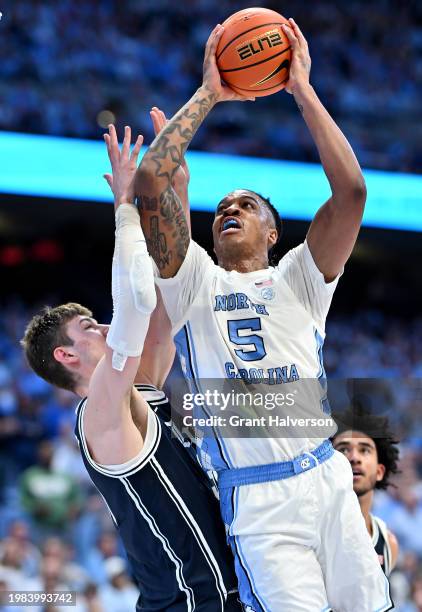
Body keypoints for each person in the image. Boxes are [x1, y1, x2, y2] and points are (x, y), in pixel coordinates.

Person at [136, 19, 392, 612]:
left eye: (246, 205)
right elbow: (151, 184)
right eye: (222, 206)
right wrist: (210, 92)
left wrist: (300, 87)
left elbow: (351, 192)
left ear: (273, 232)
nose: (230, 209)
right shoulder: (194, 278)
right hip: (259, 501)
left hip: (325, 478)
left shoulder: (300, 276)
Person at [21, 121, 241, 611]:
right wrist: (125, 205)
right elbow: (136, 305)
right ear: (66, 356)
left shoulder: (136, 390)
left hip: (224, 596)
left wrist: (174, 196)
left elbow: (166, 303)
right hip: (186, 604)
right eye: (91, 328)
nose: (104, 329)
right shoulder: (99, 412)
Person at [332, 405, 400, 576]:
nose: (354, 458)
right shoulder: (309, 532)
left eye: (364, 450)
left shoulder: (388, 544)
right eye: (343, 449)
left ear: (379, 472)